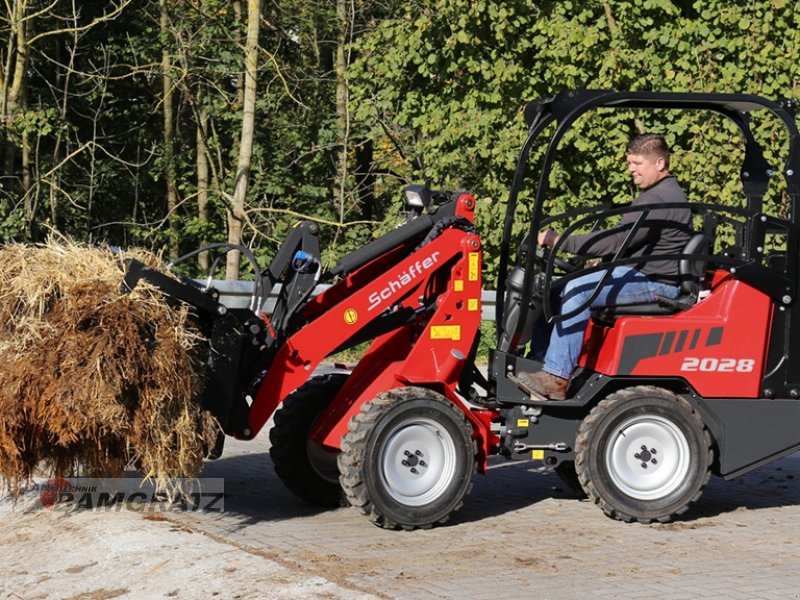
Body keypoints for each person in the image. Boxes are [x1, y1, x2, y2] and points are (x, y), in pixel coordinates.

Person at [518, 134, 693, 400]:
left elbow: (617, 240)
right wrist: (603, 260)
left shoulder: (660, 199)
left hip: (656, 283)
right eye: (629, 163)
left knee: (578, 291)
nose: (631, 169)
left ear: (660, 163)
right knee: (556, 290)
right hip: (642, 273)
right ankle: (540, 361)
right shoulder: (661, 194)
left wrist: (560, 241)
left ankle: (556, 378)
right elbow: (634, 243)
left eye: (637, 163)